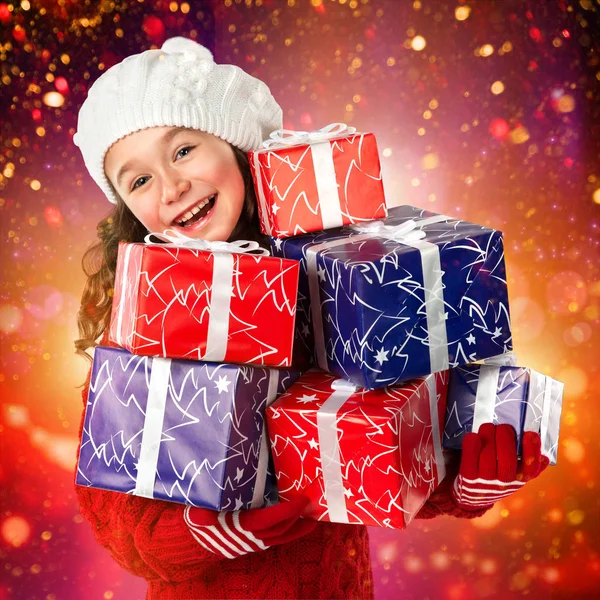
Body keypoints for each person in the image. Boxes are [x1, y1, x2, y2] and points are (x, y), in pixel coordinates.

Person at [72, 37, 550, 600]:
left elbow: (382, 449)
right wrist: (202, 534)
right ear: (128, 206)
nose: (172, 187)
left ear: (237, 145)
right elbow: (116, 519)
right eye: (139, 180)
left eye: (183, 151)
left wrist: (462, 482)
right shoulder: (142, 318)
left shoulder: (342, 281)